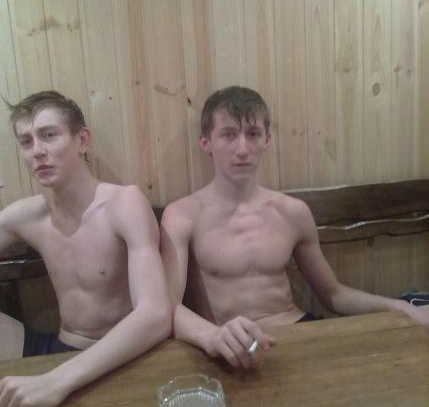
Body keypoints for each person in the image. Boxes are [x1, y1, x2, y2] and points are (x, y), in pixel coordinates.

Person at [160, 85, 429, 370]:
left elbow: (334, 294)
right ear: (206, 142)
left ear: (267, 140)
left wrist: (404, 308)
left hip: (297, 333)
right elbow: (168, 308)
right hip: (226, 345)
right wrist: (212, 336)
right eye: (228, 135)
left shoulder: (292, 212)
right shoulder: (182, 216)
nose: (242, 149)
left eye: (253, 134)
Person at [0, 91, 171, 407]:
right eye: (26, 141)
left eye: (49, 135)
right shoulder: (27, 215)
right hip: (58, 350)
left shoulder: (124, 204)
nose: (37, 151)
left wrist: (56, 382)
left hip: (122, 355)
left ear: (82, 140)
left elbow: (155, 314)